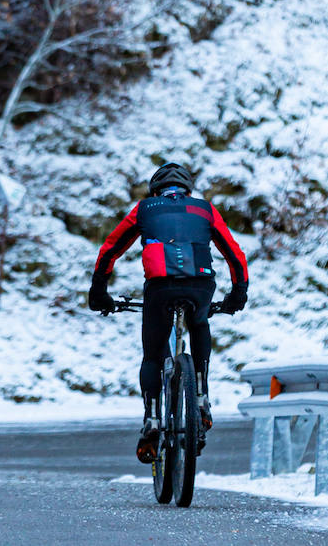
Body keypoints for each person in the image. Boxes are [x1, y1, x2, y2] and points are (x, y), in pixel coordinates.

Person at [88, 161, 249, 463]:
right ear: (187, 188)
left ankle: (151, 417)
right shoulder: (205, 209)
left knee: (153, 353)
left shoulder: (146, 208)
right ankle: (200, 396)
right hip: (201, 284)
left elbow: (111, 248)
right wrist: (238, 294)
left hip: (160, 287)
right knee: (199, 322)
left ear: (156, 189)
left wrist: (99, 291)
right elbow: (234, 253)